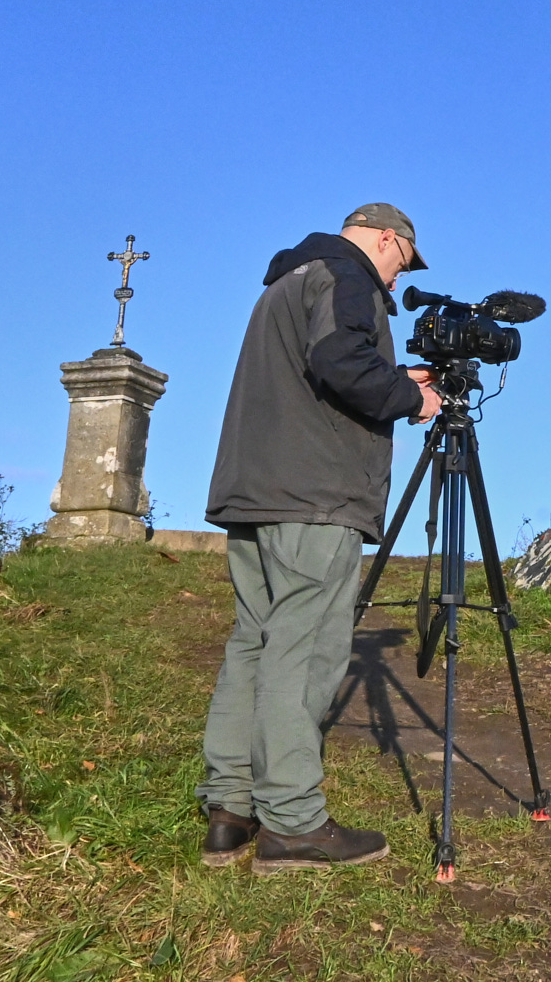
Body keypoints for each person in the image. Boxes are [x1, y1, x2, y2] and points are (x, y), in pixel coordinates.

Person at [195, 203, 443, 874]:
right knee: (301, 652)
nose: (396, 283)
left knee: (254, 642)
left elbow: (321, 368)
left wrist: (395, 381)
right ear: (388, 239)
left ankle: (229, 809)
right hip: (315, 497)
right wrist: (413, 399)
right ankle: (293, 822)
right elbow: (339, 361)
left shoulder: (289, 280)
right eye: (401, 265)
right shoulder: (348, 275)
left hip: (257, 490)